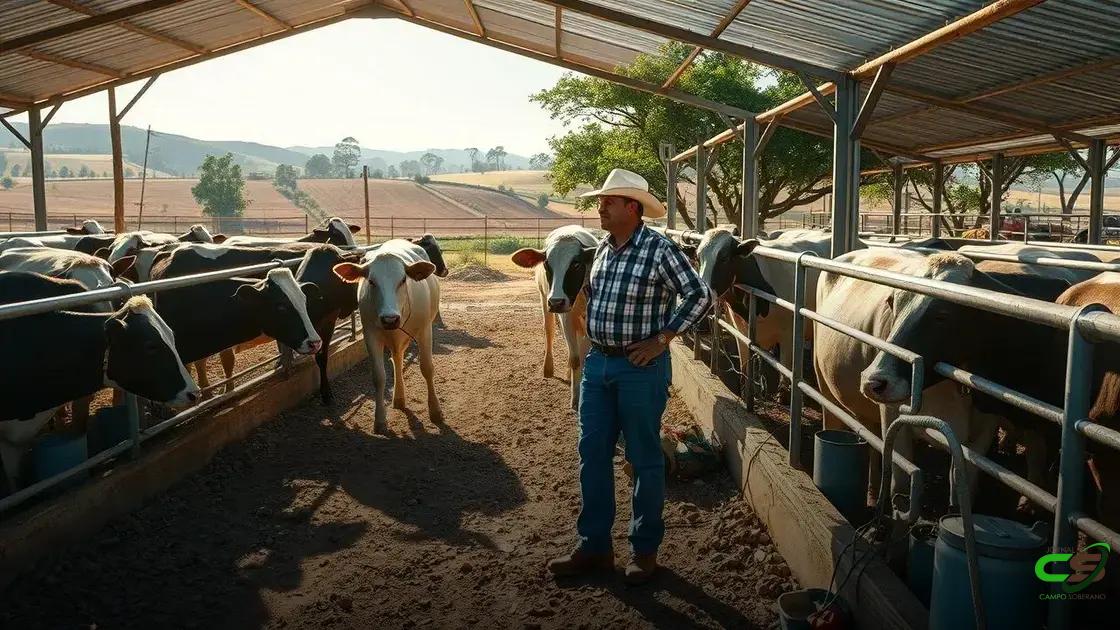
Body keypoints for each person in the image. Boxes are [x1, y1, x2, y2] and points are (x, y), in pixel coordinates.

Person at [546, 168, 712, 584]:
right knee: (592, 454)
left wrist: (664, 338)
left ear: (632, 208)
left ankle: (644, 550)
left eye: (609, 202)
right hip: (597, 365)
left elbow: (700, 294)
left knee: (643, 457)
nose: (600, 208)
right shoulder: (602, 249)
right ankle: (594, 546)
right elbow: (594, 296)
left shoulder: (659, 249)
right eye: (601, 201)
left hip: (640, 367)